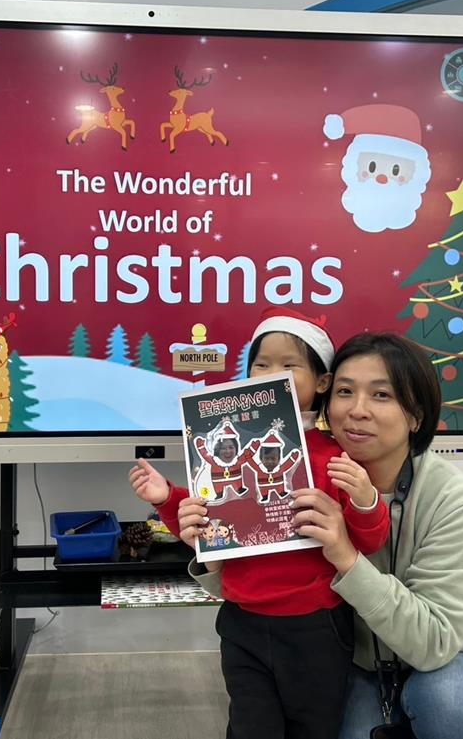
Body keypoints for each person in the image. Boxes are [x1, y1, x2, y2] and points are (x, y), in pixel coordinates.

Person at [184, 333, 463, 739]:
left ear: (416, 415)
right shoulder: (297, 479)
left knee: (442, 702)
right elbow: (265, 589)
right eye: (345, 391)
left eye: (382, 395)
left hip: (453, 649)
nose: (357, 410)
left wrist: (345, 554)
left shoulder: (453, 500)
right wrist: (213, 546)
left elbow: (433, 643)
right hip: (359, 657)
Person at [129, 308, 390, 739]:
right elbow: (207, 528)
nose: (271, 375)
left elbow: (371, 540)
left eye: (289, 365)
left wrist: (365, 500)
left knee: (316, 727)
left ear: (322, 381)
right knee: (252, 725)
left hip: (316, 626)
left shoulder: (334, 456)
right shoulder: (228, 444)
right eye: (261, 364)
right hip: (242, 621)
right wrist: (168, 500)